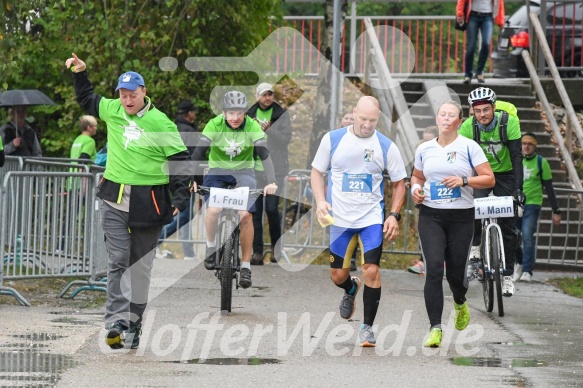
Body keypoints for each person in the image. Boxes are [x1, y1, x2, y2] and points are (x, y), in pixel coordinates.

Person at [65, 53, 191, 350]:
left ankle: (135, 321)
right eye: (122, 95)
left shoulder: (161, 122)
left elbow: (180, 161)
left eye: (132, 95)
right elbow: (87, 99)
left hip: (149, 201)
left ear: (144, 92)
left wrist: (181, 196)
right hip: (115, 198)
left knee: (140, 267)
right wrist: (80, 73)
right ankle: (116, 321)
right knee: (117, 260)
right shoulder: (113, 110)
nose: (127, 100)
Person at [311, 96, 407, 347]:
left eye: (372, 120)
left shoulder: (386, 146)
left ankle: (367, 327)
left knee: (371, 270)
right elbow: (316, 172)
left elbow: (399, 183)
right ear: (353, 113)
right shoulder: (333, 139)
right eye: (363, 119)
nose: (367, 124)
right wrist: (321, 201)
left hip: (371, 219)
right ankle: (351, 289)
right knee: (336, 274)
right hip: (340, 219)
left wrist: (394, 215)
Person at [411, 101, 494, 348]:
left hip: (461, 217)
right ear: (437, 119)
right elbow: (417, 176)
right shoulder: (424, 148)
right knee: (434, 268)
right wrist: (415, 189)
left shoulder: (470, 147)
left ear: (459, 121)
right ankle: (435, 327)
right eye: (442, 114)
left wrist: (464, 180)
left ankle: (460, 300)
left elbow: (489, 178)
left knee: (456, 274)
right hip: (431, 215)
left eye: (451, 115)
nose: (446, 119)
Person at [190, 91, 278, 289]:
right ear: (223, 113)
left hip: (244, 174)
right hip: (217, 172)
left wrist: (271, 181)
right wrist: (194, 180)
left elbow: (263, 154)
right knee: (213, 210)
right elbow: (198, 153)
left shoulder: (253, 126)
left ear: (245, 113)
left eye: (239, 113)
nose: (235, 118)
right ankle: (211, 246)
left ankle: (246, 266)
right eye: (231, 113)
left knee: (245, 215)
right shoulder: (214, 124)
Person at [459, 87, 524, 297]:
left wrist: (518, 189)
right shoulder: (468, 127)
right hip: (482, 175)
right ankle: (476, 247)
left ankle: (506, 276)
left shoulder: (509, 123)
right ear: (472, 112)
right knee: (474, 208)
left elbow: (516, 157)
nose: (482, 115)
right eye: (477, 111)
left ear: (494, 108)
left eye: (486, 110)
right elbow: (460, 158)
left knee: (508, 226)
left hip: (505, 175)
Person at [247, 83, 292, 265]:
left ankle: (276, 249)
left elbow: (286, 139)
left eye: (270, 94)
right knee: (255, 212)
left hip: (276, 170)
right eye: (264, 95)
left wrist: (269, 130)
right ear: (257, 96)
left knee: (272, 209)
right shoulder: (249, 114)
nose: (268, 98)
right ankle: (257, 252)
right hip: (254, 168)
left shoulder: (281, 114)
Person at [513, 133, 561, 282]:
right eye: (524, 143)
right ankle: (519, 263)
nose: (526, 146)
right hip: (516, 203)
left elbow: (549, 188)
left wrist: (556, 210)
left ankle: (527, 270)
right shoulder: (516, 160)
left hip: (532, 204)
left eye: (530, 144)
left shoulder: (541, 162)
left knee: (527, 236)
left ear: (535, 146)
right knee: (512, 236)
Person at [156, 100, 200, 261]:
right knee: (185, 214)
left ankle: (188, 252)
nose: (194, 114)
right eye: (193, 111)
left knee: (183, 213)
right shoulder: (189, 132)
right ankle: (157, 240)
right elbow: (193, 159)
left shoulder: (173, 128)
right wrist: (195, 179)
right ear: (188, 113)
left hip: (169, 175)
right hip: (184, 178)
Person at [407, 125, 439, 275]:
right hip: (422, 198)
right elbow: (415, 172)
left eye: (429, 140)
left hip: (441, 198)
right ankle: (423, 261)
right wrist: (411, 183)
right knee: (424, 231)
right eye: (424, 139)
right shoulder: (421, 151)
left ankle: (441, 262)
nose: (425, 143)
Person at [456, 0, 505, 84]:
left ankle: (479, 71)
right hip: (473, 16)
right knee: (471, 47)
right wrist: (460, 13)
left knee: (486, 43)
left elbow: (500, 2)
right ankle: (468, 74)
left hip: (488, 17)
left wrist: (500, 20)